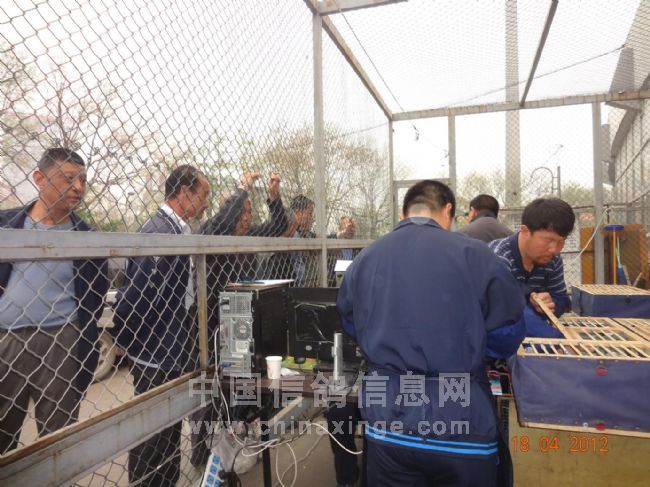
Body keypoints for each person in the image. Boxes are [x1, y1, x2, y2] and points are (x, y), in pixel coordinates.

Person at [337, 180, 525, 486]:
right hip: (460, 416)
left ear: (403, 214)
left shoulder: (366, 258)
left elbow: (350, 322)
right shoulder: (477, 256)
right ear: (448, 210)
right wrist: (470, 346)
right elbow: (508, 334)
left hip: (387, 417)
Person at [0, 148, 109, 453]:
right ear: (39, 178)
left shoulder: (86, 236)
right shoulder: (7, 225)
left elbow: (95, 295)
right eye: (68, 178)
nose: (78, 187)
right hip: (6, 340)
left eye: (83, 180)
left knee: (58, 437)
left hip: (63, 341)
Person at [112, 165, 210, 486]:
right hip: (155, 351)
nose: (206, 202)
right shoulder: (158, 230)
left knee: (169, 428)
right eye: (203, 194)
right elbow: (135, 296)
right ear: (184, 192)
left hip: (171, 345)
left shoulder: (177, 229)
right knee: (151, 434)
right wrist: (130, 341)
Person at [486, 198, 575, 357]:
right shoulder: (499, 257)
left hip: (530, 336)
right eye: (548, 240)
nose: (554, 249)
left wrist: (552, 304)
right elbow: (507, 311)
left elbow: (562, 299)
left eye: (561, 242)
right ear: (525, 231)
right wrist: (560, 343)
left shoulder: (552, 259)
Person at [261, 195, 316, 286]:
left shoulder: (303, 234)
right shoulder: (293, 235)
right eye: (309, 213)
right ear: (298, 212)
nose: (311, 218)